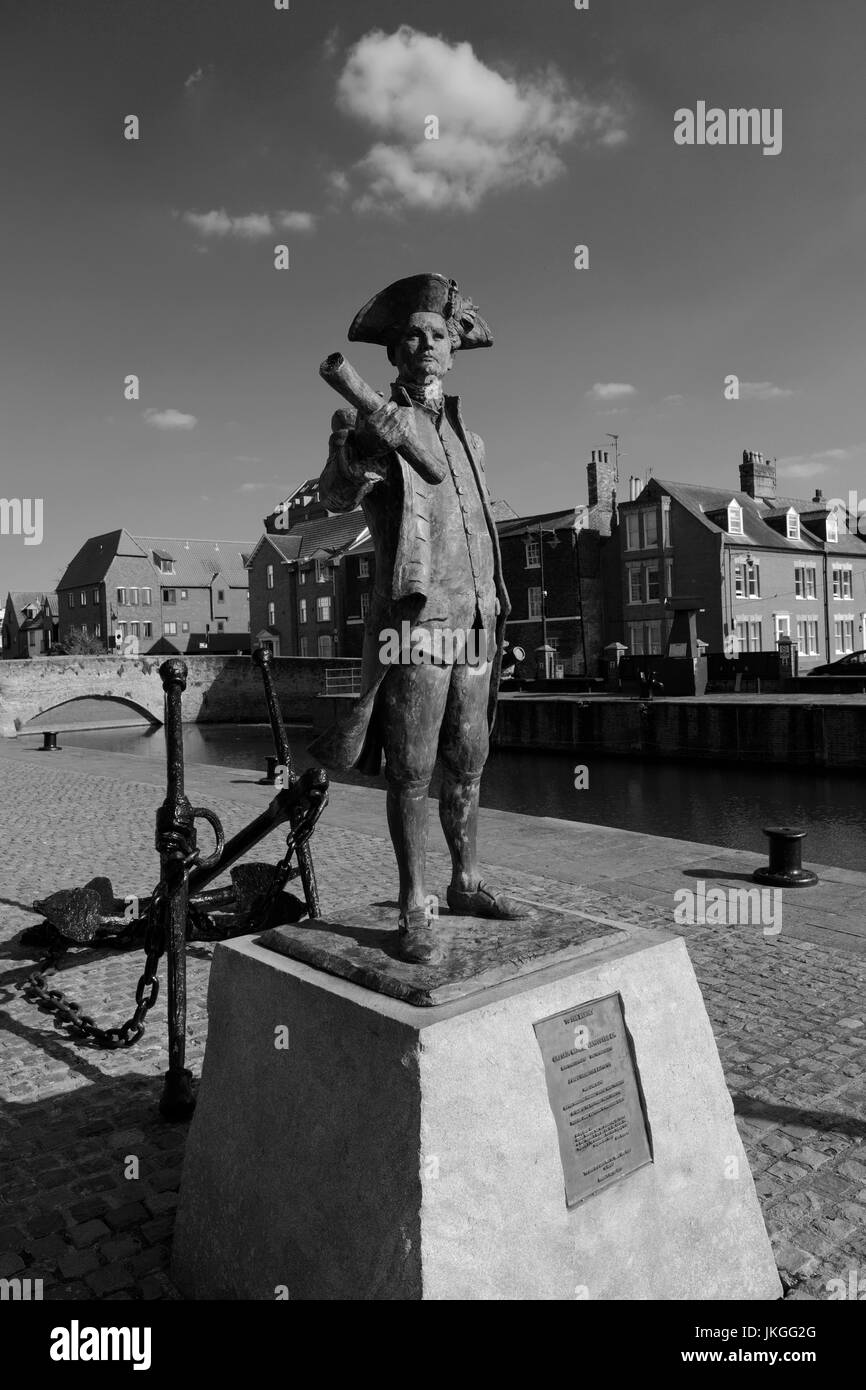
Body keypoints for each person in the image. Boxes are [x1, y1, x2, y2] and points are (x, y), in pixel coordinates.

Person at [310, 273, 522, 963]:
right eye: (413, 335)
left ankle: (466, 880)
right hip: (417, 622)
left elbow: (479, 526)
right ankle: (413, 904)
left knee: (469, 758)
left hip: (478, 618)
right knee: (410, 766)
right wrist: (355, 449)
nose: (427, 344)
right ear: (395, 352)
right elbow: (334, 493)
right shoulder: (372, 424)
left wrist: (495, 604)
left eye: (438, 334)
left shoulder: (473, 441)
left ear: (452, 350)